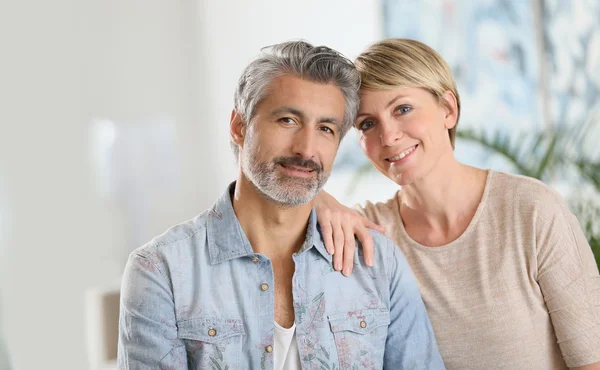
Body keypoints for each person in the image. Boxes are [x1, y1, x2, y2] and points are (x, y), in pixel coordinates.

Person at [117, 40, 444, 370]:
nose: (306, 149)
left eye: (326, 129)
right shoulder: (162, 271)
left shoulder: (378, 264)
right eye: (288, 120)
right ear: (239, 126)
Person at [315, 38, 600, 369]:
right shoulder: (369, 234)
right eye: (367, 123)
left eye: (402, 109)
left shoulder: (532, 210)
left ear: (448, 109)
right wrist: (319, 199)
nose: (388, 136)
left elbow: (592, 360)